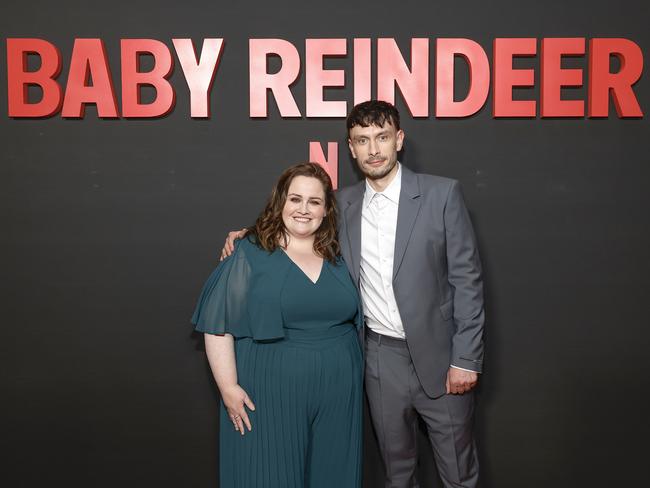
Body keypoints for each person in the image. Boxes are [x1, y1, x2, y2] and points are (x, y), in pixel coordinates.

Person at [222, 100, 485, 488]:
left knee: (458, 474)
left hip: (442, 357)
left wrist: (466, 358)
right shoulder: (342, 204)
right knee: (397, 473)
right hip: (378, 359)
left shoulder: (441, 195)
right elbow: (297, 220)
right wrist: (249, 235)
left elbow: (467, 280)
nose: (373, 149)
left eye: (381, 138)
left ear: (398, 140)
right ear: (351, 148)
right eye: (362, 140)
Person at [192, 163, 363, 488]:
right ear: (280, 202)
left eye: (314, 201)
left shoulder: (339, 252)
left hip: (340, 389)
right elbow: (218, 323)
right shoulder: (249, 251)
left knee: (333, 476)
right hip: (269, 388)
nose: (303, 209)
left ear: (326, 209)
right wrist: (228, 387)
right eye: (295, 199)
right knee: (268, 474)